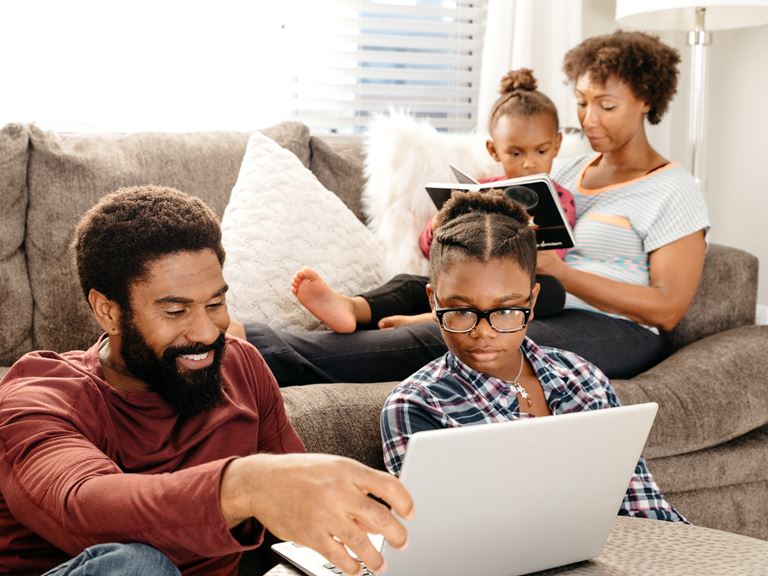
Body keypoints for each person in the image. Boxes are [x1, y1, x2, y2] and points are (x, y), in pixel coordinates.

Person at [244, 30, 709, 384]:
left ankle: (257, 351)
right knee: (420, 283)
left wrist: (562, 274)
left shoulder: (674, 188)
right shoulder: (564, 172)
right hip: (528, 297)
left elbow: (667, 309)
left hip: (615, 329)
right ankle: (346, 314)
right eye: (583, 103)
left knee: (466, 333)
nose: (588, 120)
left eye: (606, 106)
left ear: (646, 99)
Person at [0, 186, 413, 576]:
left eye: (215, 303)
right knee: (139, 565)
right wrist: (247, 485)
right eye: (176, 312)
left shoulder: (242, 367)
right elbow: (84, 508)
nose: (207, 332)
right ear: (107, 311)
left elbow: (300, 512)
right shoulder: (39, 394)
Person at [380, 189, 685, 522]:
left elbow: (644, 506)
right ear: (433, 301)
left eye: (507, 310)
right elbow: (437, 534)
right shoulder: (416, 406)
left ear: (532, 301)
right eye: (461, 310)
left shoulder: (584, 379)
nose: (484, 332)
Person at [290, 68, 575, 334]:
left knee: (552, 291)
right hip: (465, 277)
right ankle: (351, 307)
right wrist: (437, 225)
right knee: (409, 285)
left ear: (558, 145)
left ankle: (425, 320)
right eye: (515, 153)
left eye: (540, 151)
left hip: (511, 288)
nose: (528, 164)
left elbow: (555, 258)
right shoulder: (479, 190)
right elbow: (430, 250)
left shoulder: (561, 198)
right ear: (493, 150)